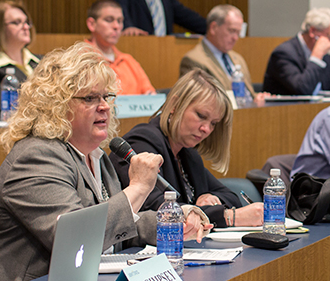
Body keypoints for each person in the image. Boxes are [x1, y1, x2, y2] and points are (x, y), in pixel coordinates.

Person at [0, 43, 211, 281]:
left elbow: (121, 228)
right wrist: (138, 187)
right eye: (90, 98)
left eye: (106, 96)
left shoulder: (96, 157)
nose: (105, 106)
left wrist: (172, 220)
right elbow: (77, 239)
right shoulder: (37, 156)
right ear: (56, 105)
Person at [111, 70, 264, 227]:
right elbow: (157, 210)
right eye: (201, 116)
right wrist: (227, 216)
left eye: (213, 123)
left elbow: (230, 196)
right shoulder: (143, 142)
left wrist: (211, 198)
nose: (207, 129)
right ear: (175, 106)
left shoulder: (187, 152)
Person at [180, 4, 267, 106]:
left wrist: (258, 97)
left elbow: (247, 95)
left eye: (238, 33)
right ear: (213, 28)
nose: (235, 38)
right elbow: (196, 101)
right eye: (231, 31)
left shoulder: (238, 58)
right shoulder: (193, 60)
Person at [263, 8, 330, 95]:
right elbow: (302, 89)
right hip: (287, 108)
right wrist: (316, 57)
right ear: (313, 31)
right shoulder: (284, 53)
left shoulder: (324, 55)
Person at [86, 0, 156, 95]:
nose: (116, 26)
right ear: (92, 24)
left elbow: (150, 94)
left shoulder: (128, 60)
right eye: (109, 20)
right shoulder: (80, 60)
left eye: (119, 21)